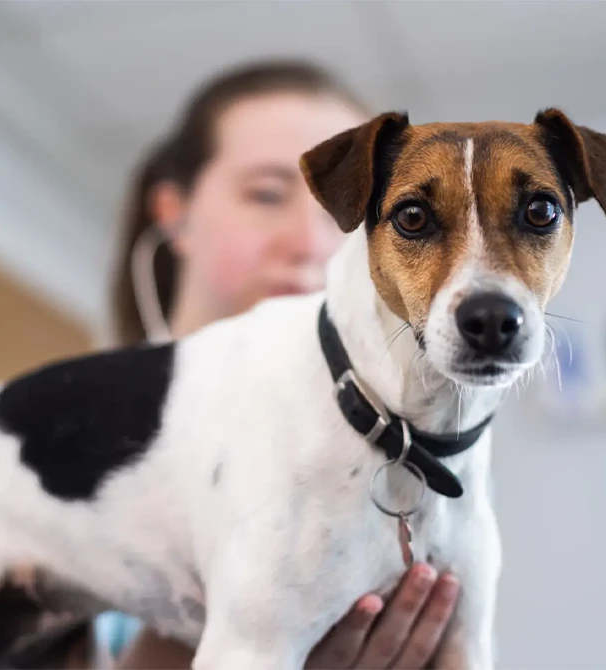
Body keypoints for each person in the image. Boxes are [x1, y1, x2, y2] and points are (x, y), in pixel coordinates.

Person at [105, 59, 463, 670]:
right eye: (267, 194)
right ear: (174, 212)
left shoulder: (408, 446)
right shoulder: (56, 441)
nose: (313, 240)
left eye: (345, 203)